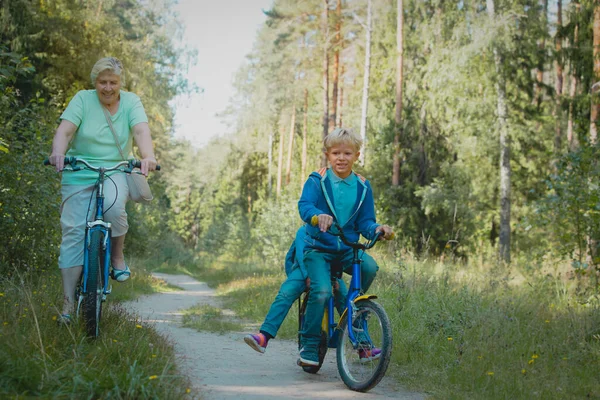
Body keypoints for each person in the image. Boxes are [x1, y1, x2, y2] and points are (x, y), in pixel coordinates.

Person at [48, 57, 157, 324]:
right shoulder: (83, 100)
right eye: (102, 82)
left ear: (121, 83)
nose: (107, 88)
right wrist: (58, 153)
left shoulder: (131, 102)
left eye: (113, 82)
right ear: (94, 82)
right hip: (79, 171)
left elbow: (141, 131)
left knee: (112, 206)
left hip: (115, 170)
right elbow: (65, 130)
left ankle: (117, 256)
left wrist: (148, 156)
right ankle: (67, 303)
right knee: (73, 234)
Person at [297, 127, 393, 367]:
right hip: (319, 247)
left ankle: (351, 312)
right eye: (336, 153)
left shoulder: (362, 185)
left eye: (347, 153)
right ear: (328, 155)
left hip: (348, 248)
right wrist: (318, 216)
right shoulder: (317, 179)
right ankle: (308, 346)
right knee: (321, 292)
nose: (341, 158)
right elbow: (305, 206)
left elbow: (366, 221)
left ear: (357, 156)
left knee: (370, 267)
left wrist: (378, 229)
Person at [244, 225, 348, 353]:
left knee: (346, 298)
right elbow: (300, 255)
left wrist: (337, 277)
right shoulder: (304, 231)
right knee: (286, 292)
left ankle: (363, 344)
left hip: (328, 272)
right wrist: (308, 276)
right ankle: (264, 335)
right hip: (304, 270)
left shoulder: (337, 231)